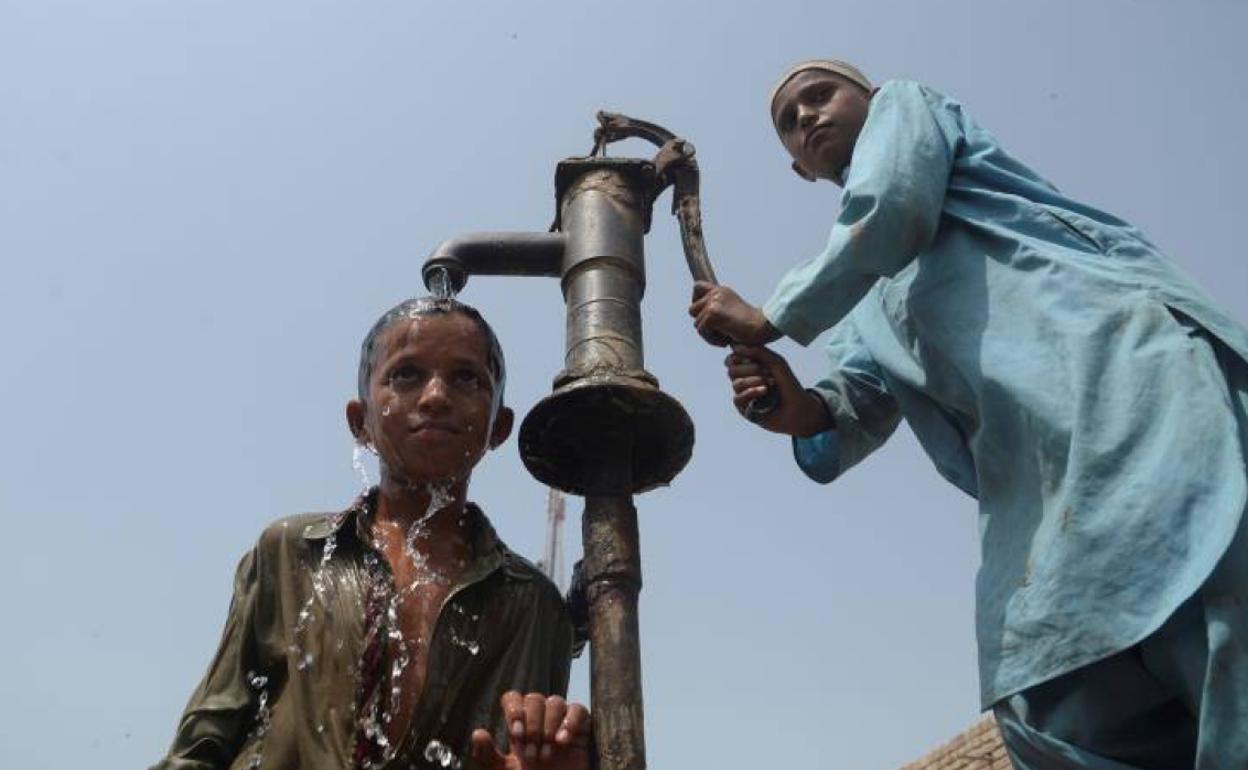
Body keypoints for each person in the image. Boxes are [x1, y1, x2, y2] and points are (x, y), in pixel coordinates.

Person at [690, 59, 1248, 769]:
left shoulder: (910, 110)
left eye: (820, 95)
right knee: (1049, 701)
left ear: (869, 99)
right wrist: (793, 404)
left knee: (1217, 621)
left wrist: (771, 315)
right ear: (799, 170)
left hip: (1131, 385)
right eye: (787, 123)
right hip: (1034, 498)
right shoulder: (862, 296)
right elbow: (852, 406)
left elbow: (893, 201)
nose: (805, 117)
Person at [153, 297, 591, 770]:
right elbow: (203, 742)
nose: (436, 396)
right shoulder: (292, 553)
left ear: (498, 428)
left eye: (466, 378)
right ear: (360, 423)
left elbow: (527, 752)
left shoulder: (535, 608)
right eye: (406, 375)